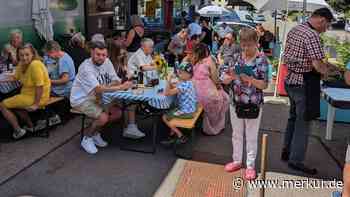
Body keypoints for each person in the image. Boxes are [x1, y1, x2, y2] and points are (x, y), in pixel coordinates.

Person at [281, 8, 336, 175]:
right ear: (321, 20)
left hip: (290, 81)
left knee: (293, 118)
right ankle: (296, 160)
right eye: (326, 26)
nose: (325, 29)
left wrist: (328, 66)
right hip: (303, 83)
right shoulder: (312, 36)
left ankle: (286, 150)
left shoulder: (296, 29)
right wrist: (330, 72)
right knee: (303, 123)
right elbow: (317, 65)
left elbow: (297, 57)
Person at [221, 28, 269, 180]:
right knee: (236, 134)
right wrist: (229, 77)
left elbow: (264, 85)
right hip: (236, 102)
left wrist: (250, 79)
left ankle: (250, 166)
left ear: (256, 43)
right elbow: (224, 77)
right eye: (243, 45)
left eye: (249, 45)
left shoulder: (262, 60)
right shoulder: (235, 57)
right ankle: (236, 160)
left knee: (252, 136)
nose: (246, 48)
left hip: (253, 104)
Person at [70, 41, 132, 154]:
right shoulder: (86, 67)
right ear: (92, 53)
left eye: (104, 55)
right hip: (81, 99)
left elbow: (114, 79)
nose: (101, 58)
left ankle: (95, 134)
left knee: (117, 113)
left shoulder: (107, 62)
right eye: (98, 54)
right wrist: (120, 87)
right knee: (103, 117)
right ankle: (87, 138)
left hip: (98, 97)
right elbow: (98, 89)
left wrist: (126, 79)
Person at [0, 44, 51, 139]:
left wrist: (36, 104)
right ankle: (31, 126)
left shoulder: (35, 65)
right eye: (21, 55)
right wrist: (1, 80)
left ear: (33, 54)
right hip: (27, 95)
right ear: (18, 55)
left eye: (27, 54)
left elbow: (39, 86)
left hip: (39, 97)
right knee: (15, 105)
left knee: (2, 105)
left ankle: (18, 130)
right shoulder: (21, 64)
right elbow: (15, 77)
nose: (24, 57)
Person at [191, 43, 229, 135]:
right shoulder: (209, 60)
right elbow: (215, 78)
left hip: (194, 91)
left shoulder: (194, 61)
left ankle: (204, 122)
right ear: (206, 51)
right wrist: (219, 85)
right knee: (225, 98)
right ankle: (214, 126)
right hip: (205, 92)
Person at [161, 62, 197, 145]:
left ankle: (180, 135)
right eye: (179, 72)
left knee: (165, 117)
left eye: (182, 72)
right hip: (191, 108)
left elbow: (167, 93)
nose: (179, 74)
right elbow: (176, 88)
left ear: (189, 75)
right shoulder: (188, 82)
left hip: (187, 112)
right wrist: (171, 84)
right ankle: (172, 135)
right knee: (172, 109)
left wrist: (168, 80)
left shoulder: (184, 85)